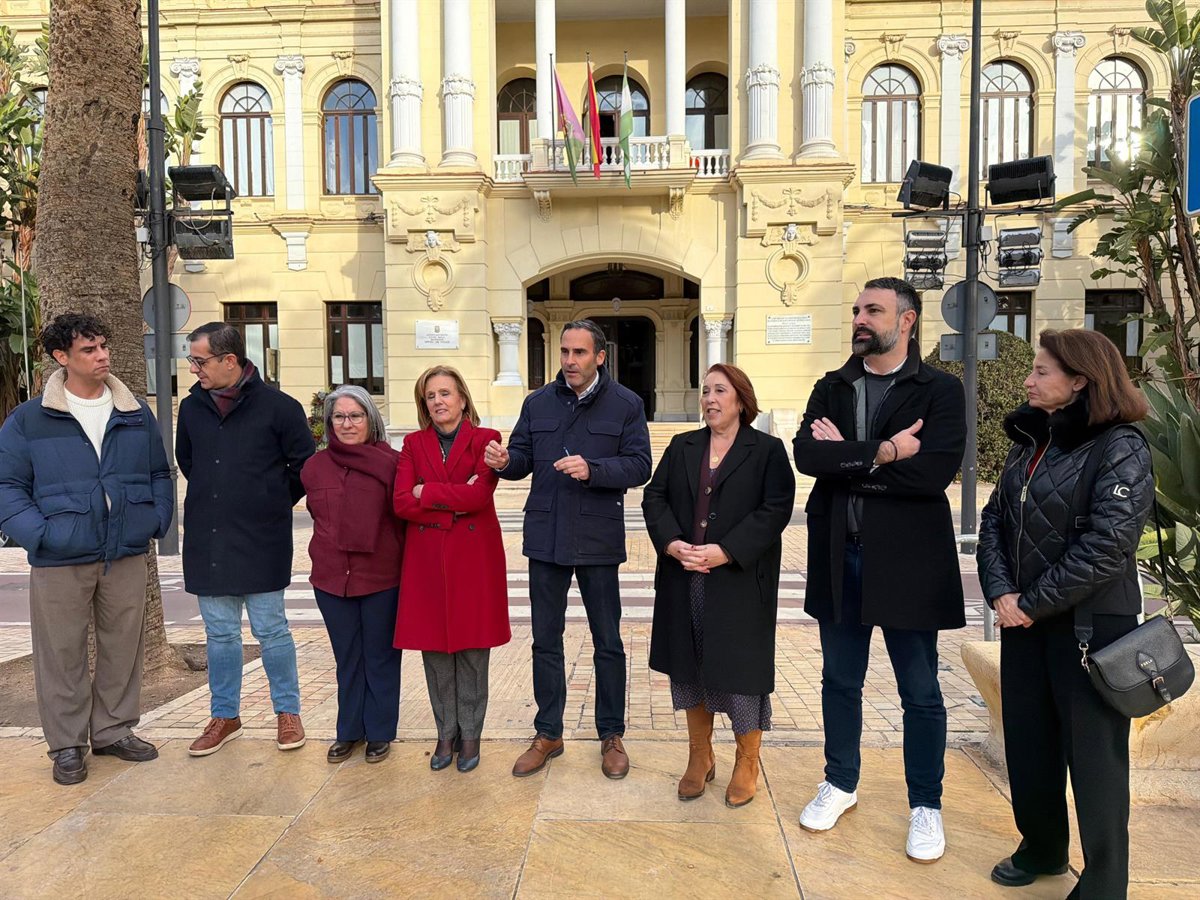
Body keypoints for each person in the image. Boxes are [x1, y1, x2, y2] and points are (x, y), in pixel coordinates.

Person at [792, 276, 966, 863]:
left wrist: (847, 461)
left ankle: (926, 804)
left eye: (873, 310)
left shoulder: (940, 390)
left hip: (908, 562)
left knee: (920, 690)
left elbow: (932, 474)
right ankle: (840, 783)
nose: (860, 319)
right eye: (857, 310)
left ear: (906, 321)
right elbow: (807, 456)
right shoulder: (833, 386)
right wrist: (884, 452)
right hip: (839, 556)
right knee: (840, 681)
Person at [978, 330, 1153, 896]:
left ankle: (1104, 883)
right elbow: (993, 520)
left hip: (1091, 628)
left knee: (1096, 761)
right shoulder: (1030, 441)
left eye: (1041, 371)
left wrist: (1029, 604)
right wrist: (1002, 593)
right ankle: (1043, 848)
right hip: (1024, 623)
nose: (1028, 381)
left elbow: (1108, 545)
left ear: (1080, 380)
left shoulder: (1120, 446)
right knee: (1029, 745)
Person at [0, 314, 173, 784]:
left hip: (125, 551)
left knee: (123, 647)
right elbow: (8, 486)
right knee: (61, 653)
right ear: (62, 357)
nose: (102, 356)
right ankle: (67, 745)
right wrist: (41, 534)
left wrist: (154, 519)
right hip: (59, 557)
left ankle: (114, 730)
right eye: (89, 350)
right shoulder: (30, 419)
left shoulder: (134, 412)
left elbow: (159, 472)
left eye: (104, 347)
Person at [484, 319, 652, 779]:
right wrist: (504, 461)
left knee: (608, 641)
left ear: (600, 356)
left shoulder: (626, 404)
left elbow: (640, 465)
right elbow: (521, 458)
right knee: (545, 640)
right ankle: (548, 733)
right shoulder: (537, 402)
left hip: (598, 538)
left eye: (579, 353)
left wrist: (593, 469)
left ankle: (611, 734)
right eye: (565, 352)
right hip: (546, 536)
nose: (570, 360)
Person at [643, 364, 795, 808]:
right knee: (689, 666)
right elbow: (654, 497)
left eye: (720, 391)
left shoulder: (766, 450)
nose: (710, 399)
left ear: (741, 400)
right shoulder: (682, 445)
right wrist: (672, 543)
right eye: (706, 391)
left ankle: (747, 762)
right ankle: (700, 756)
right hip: (685, 578)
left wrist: (727, 550)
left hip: (739, 583)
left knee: (741, 674)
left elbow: (776, 508)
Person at [177, 322, 316, 757]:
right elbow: (189, 462)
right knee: (220, 635)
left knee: (272, 630)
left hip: (263, 539)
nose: (193, 368)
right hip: (209, 539)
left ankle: (288, 713)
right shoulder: (191, 408)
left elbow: (304, 467)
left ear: (229, 361)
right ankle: (225, 716)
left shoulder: (281, 407)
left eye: (199, 360)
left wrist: (268, 501)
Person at [393, 366, 510, 773]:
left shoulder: (486, 439)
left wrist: (427, 492)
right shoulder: (413, 444)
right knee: (435, 651)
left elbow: (479, 497)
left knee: (473, 649)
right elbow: (401, 502)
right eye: (430, 396)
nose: (438, 401)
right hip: (427, 561)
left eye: (445, 393)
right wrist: (451, 502)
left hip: (474, 559)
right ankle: (445, 733)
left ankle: (471, 733)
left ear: (462, 398)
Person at [301, 385, 404, 764]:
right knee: (347, 657)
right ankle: (349, 731)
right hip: (331, 578)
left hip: (381, 577)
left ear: (370, 420)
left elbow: (403, 518)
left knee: (380, 657)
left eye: (355, 416)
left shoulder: (393, 464)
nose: (347, 424)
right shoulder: (314, 467)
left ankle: (379, 732)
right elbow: (316, 515)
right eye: (339, 417)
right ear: (329, 422)